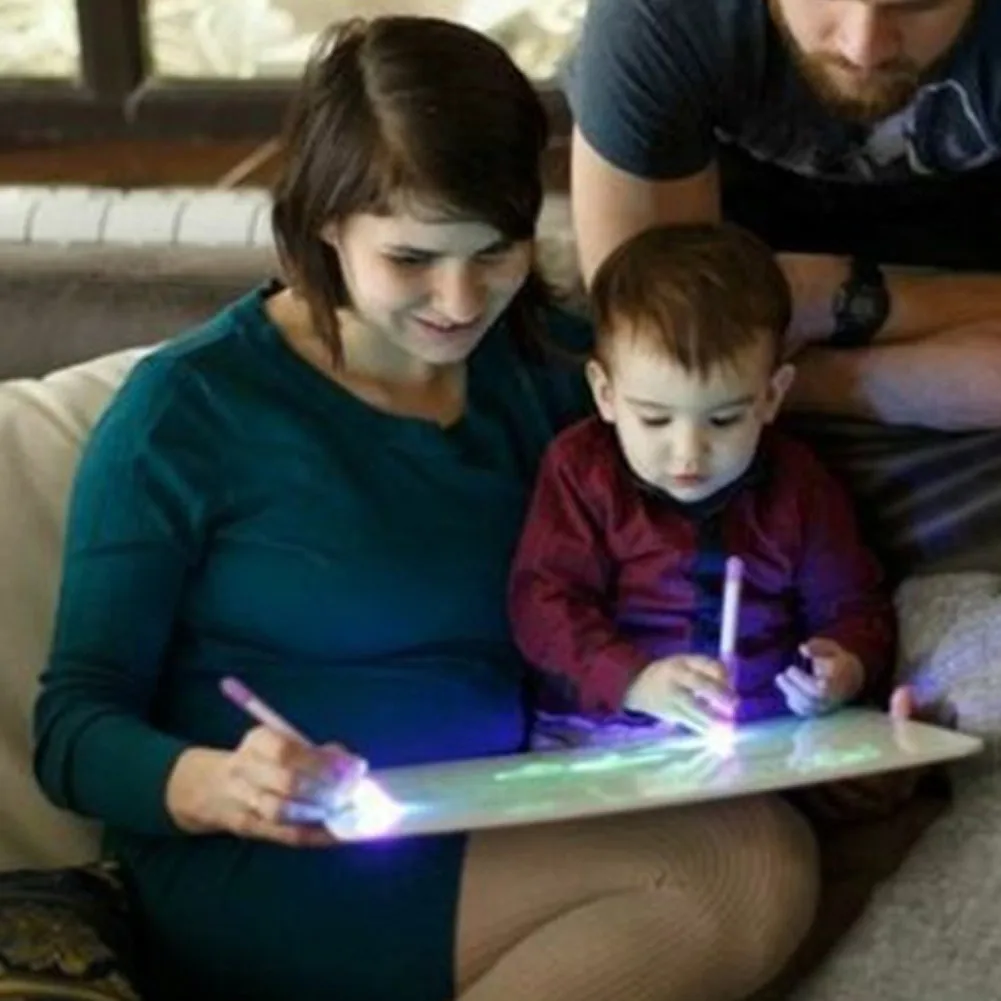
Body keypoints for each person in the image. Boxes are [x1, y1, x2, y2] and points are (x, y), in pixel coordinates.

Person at [31, 16, 819, 1001]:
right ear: (326, 224)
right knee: (738, 873)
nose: (459, 299)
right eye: (411, 258)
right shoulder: (186, 413)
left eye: (494, 251)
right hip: (281, 855)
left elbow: (741, 530)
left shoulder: (560, 376)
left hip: (510, 809)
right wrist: (213, 781)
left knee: (766, 845)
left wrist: (841, 680)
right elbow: (73, 725)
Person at [509, 222, 896, 736]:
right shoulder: (581, 471)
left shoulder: (799, 484)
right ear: (605, 393)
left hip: (766, 730)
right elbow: (543, 606)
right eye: (654, 419)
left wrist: (845, 666)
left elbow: (856, 606)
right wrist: (634, 681)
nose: (688, 453)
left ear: (772, 396)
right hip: (607, 727)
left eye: (724, 419)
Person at [566, 0, 1001, 433]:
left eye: (917, 4)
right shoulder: (660, 15)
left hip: (953, 265)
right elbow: (646, 337)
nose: (863, 48)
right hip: (744, 281)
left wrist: (829, 307)